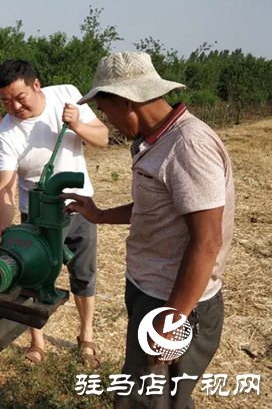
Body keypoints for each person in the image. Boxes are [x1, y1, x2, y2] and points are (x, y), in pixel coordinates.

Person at [63, 51, 234, 409]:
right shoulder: (158, 141)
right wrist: (100, 215)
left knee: (150, 403)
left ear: (127, 101)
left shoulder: (188, 146)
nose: (107, 122)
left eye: (106, 110)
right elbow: (158, 210)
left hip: (173, 302)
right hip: (153, 293)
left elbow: (207, 241)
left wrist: (173, 320)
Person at [0, 59, 109, 365]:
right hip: (38, 217)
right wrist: (4, 226)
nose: (14, 106)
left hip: (80, 208)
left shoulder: (66, 96)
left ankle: (86, 336)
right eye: (6, 101)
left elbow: (103, 138)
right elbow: (4, 186)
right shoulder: (7, 134)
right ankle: (37, 342)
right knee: (32, 277)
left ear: (36, 85)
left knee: (84, 274)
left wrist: (78, 125)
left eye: (20, 97)